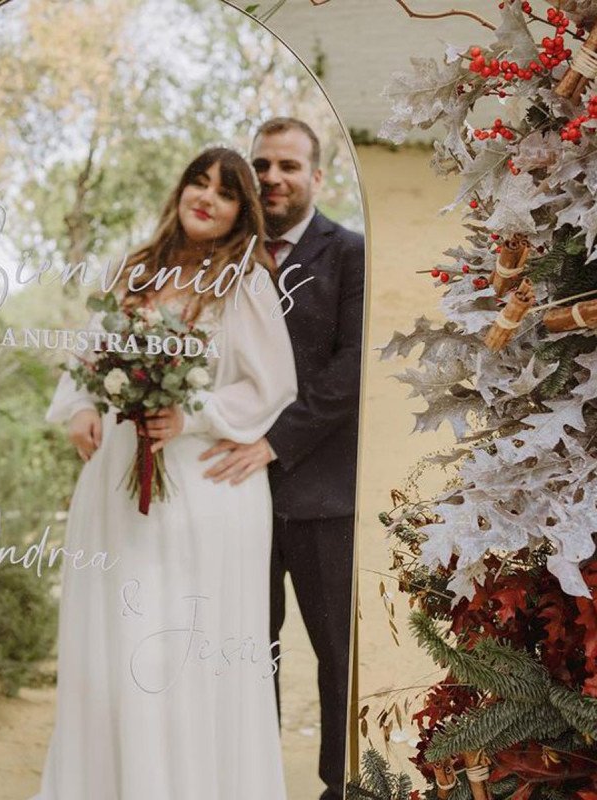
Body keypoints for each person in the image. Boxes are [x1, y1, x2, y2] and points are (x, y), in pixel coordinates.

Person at [32, 147, 298, 800]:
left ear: (243, 212)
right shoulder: (135, 268)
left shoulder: (246, 279)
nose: (205, 197)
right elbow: (89, 355)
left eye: (225, 191)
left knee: (172, 644)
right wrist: (80, 409)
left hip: (202, 485)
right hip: (118, 478)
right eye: (197, 182)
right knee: (115, 646)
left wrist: (192, 412)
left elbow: (273, 384)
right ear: (180, 189)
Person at [201, 118, 364, 800]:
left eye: (288, 166)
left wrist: (277, 439)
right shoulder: (220, 261)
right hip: (234, 494)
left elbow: (351, 368)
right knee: (244, 649)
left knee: (335, 654)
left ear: (316, 177)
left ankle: (342, 784)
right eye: (262, 165)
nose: (273, 177)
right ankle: (251, 780)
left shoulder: (349, 253)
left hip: (322, 493)